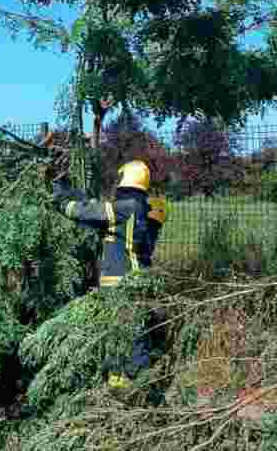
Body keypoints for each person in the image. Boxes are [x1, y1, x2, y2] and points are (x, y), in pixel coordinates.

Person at [49, 159, 166, 389]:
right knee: (119, 333)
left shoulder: (126, 208)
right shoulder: (141, 208)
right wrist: (66, 186)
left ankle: (141, 386)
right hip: (130, 279)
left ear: (126, 180)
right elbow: (95, 206)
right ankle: (119, 385)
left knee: (130, 333)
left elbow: (85, 211)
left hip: (121, 281)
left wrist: (60, 199)